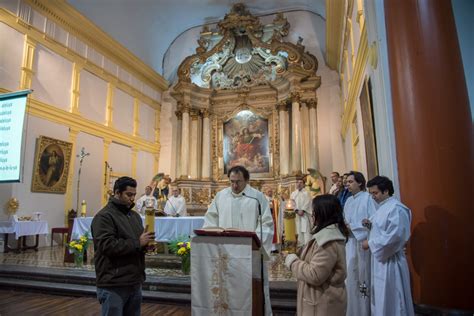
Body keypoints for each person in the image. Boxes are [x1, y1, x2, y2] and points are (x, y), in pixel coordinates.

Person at [203, 165, 274, 315]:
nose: (235, 185)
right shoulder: (221, 196)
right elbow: (210, 220)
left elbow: (266, 224)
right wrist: (214, 236)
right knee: (227, 290)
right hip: (225, 253)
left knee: (249, 289)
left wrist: (255, 242)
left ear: (247, 180)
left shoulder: (257, 197)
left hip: (250, 254)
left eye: (239, 182)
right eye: (232, 182)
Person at [91, 176, 155, 316]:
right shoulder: (104, 217)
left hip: (134, 280)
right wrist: (138, 243)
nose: (132, 198)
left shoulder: (134, 216)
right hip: (114, 283)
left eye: (134, 195)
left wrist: (145, 246)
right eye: (128, 194)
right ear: (117, 193)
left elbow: (137, 244)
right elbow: (107, 246)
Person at [285, 194, 349, 316]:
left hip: (323, 304)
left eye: (314, 213)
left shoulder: (328, 241)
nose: (312, 216)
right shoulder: (326, 236)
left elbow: (315, 275)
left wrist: (292, 261)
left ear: (323, 214)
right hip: (318, 301)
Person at [362, 176, 414, 316]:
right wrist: (370, 224)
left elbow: (395, 236)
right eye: (371, 193)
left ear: (386, 191)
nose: (373, 197)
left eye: (375, 193)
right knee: (381, 300)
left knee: (393, 300)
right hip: (381, 260)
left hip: (391, 261)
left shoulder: (397, 209)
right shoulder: (383, 207)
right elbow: (383, 228)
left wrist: (370, 243)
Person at [343, 171, 376, 316]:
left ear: (360, 183)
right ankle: (353, 311)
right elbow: (345, 219)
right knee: (351, 277)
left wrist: (353, 227)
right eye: (347, 182)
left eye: (350, 182)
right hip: (350, 243)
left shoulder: (368, 198)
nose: (347, 184)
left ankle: (364, 311)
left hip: (363, 243)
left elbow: (373, 221)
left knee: (363, 277)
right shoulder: (349, 201)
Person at [291, 177, 313, 247]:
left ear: (304, 184)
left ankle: (307, 246)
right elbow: (292, 203)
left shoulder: (307, 193)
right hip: (296, 216)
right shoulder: (293, 194)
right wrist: (297, 210)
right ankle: (299, 247)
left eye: (301, 183)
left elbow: (308, 202)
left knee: (306, 231)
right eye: (297, 183)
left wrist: (303, 210)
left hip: (304, 215)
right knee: (298, 230)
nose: (299, 184)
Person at [264, 187, 281, 253]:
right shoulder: (264, 199)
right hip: (266, 218)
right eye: (269, 191)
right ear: (265, 192)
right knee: (268, 233)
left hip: (273, 217)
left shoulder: (274, 199)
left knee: (273, 233)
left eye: (271, 191)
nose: (270, 193)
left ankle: (273, 248)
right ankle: (267, 248)